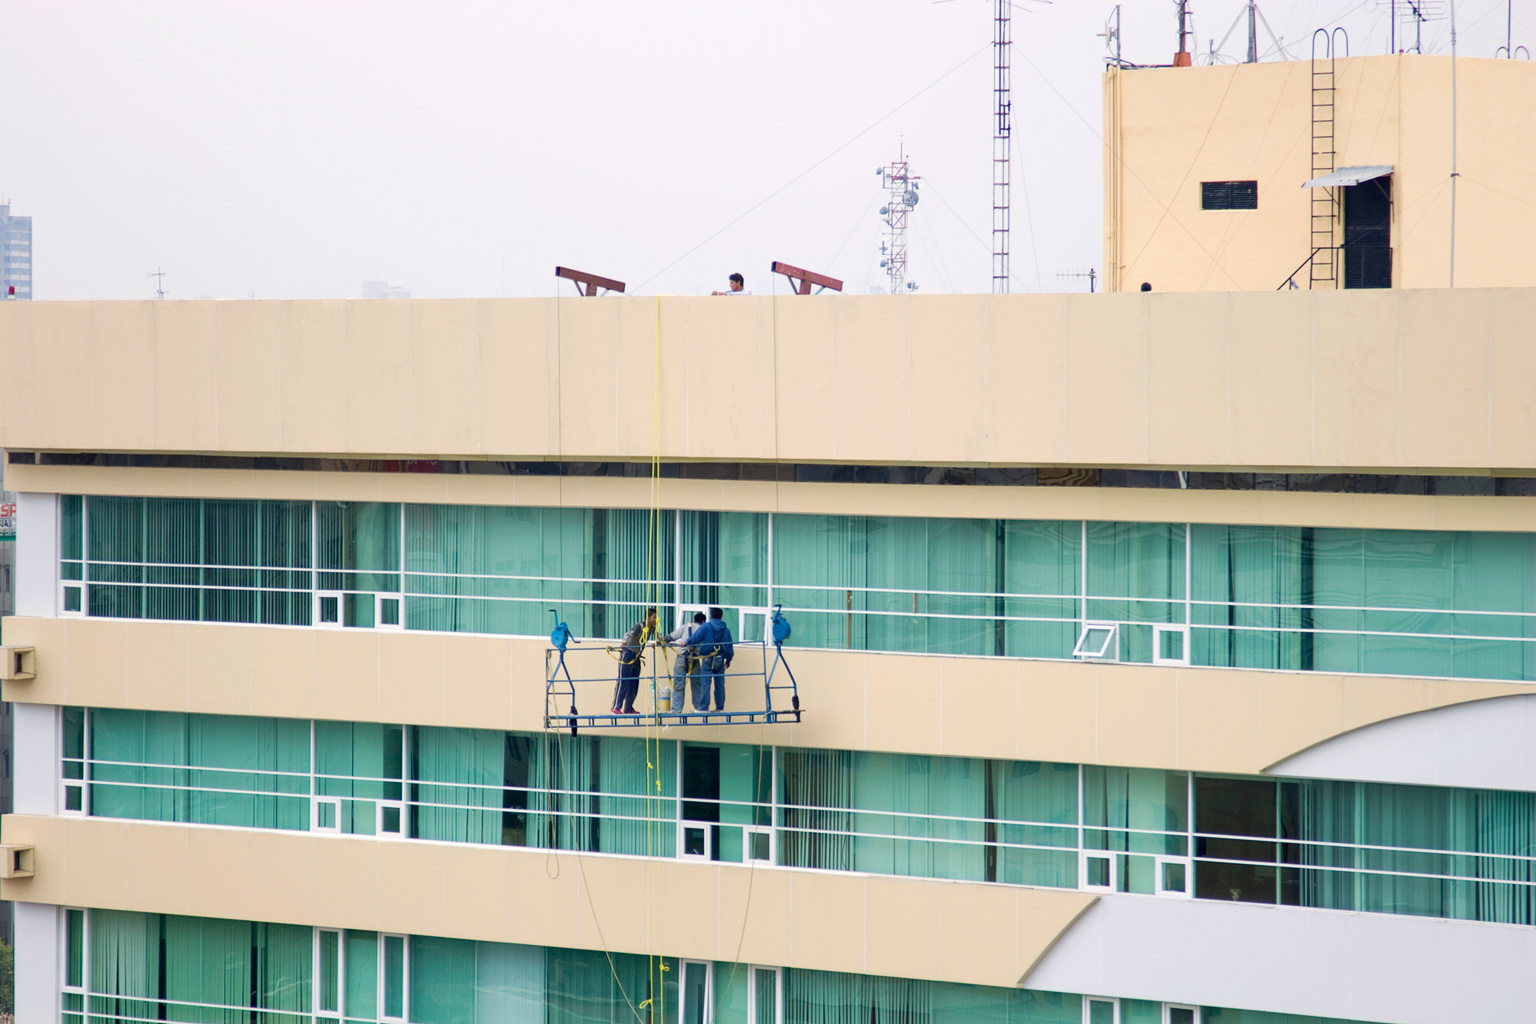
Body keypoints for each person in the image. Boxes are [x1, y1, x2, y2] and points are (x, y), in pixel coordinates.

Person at [684, 606, 735, 711]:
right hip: (720, 659)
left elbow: (696, 638)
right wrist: (729, 659)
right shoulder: (726, 630)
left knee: (705, 684)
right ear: (721, 616)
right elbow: (730, 646)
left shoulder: (706, 627)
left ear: (711, 615)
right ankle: (720, 708)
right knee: (720, 685)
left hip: (708, 659)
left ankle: (703, 708)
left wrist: (687, 642)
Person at [611, 607, 657, 714]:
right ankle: (616, 706)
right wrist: (623, 643)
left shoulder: (651, 628)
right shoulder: (640, 626)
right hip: (628, 653)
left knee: (634, 683)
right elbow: (628, 634)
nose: (655, 619)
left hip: (636, 656)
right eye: (654, 617)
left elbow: (659, 635)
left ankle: (628, 707)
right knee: (624, 681)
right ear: (648, 617)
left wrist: (658, 642)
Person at [664, 611, 707, 712]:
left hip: (682, 657)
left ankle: (676, 710)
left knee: (678, 683)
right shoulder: (703, 629)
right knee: (696, 684)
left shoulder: (685, 627)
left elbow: (671, 637)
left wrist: (659, 642)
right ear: (703, 621)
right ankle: (699, 708)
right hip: (695, 659)